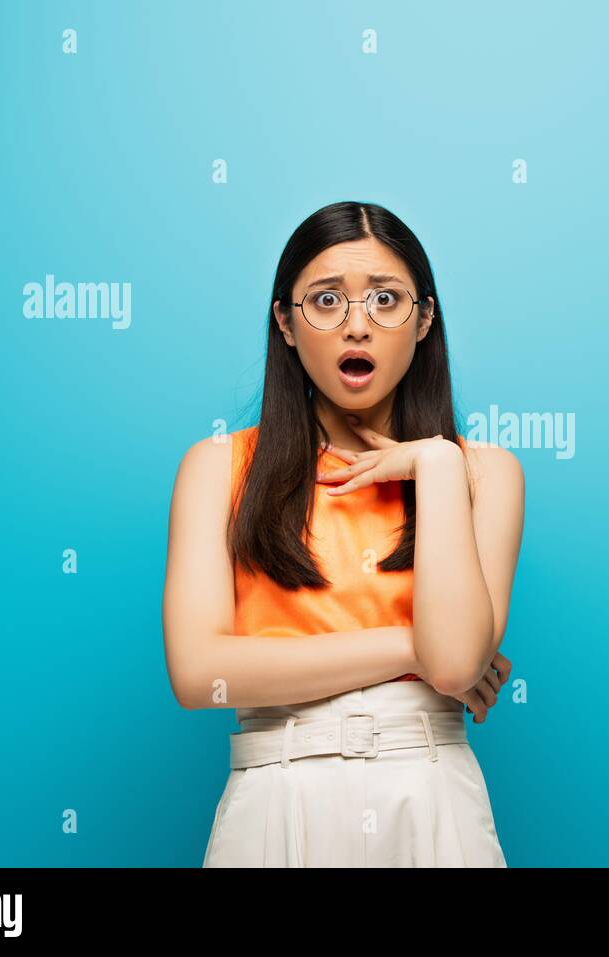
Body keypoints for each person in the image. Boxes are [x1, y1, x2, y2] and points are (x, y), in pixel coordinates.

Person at [161, 201, 524, 866]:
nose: (357, 325)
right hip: (277, 790)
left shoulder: (482, 473)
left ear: (424, 319)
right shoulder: (217, 468)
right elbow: (197, 674)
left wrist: (435, 462)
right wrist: (406, 645)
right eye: (325, 300)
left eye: (386, 299)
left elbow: (452, 666)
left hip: (431, 793)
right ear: (286, 323)